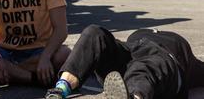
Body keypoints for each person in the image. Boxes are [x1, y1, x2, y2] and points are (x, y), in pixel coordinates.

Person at [45, 25, 204, 99]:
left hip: (166, 58)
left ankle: (133, 96)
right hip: (129, 51)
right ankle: (61, 88)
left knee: (143, 69)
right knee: (94, 33)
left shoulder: (187, 62)